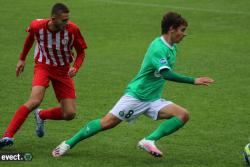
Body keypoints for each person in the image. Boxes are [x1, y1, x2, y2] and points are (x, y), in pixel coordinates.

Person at [52, 12, 214, 158]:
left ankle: (148, 140)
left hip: (153, 99)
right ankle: (68, 143)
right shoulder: (157, 48)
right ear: (172, 29)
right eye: (182, 30)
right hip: (137, 96)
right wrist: (194, 80)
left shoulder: (173, 48)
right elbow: (166, 74)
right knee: (106, 123)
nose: (184, 34)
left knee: (183, 115)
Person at [0, 3, 87, 149]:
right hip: (43, 66)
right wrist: (22, 59)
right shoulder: (37, 26)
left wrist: (76, 67)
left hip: (63, 71)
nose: (67, 23)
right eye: (64, 20)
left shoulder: (73, 30)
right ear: (53, 19)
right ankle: (7, 136)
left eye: (68, 19)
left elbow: (81, 52)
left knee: (70, 114)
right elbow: (30, 38)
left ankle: (41, 115)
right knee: (34, 100)